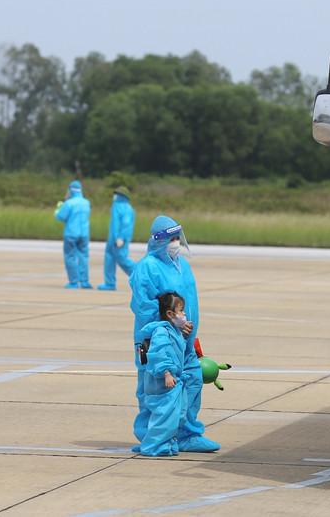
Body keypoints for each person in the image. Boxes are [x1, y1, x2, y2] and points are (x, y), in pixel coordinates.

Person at [128, 215, 219, 453]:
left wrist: (187, 331)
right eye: (172, 238)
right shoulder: (147, 267)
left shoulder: (182, 265)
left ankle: (187, 434)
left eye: (178, 238)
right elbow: (144, 308)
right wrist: (172, 326)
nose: (176, 243)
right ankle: (152, 437)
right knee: (156, 389)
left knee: (192, 381)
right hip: (159, 342)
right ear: (160, 240)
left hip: (185, 341)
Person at [136, 292, 188, 456]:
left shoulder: (173, 330)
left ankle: (167, 442)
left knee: (176, 414)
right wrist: (166, 373)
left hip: (173, 379)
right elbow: (159, 353)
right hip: (162, 381)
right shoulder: (161, 331)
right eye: (181, 311)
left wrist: (183, 334)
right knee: (165, 416)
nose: (184, 314)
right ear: (170, 314)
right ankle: (152, 446)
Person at [55, 180, 92, 289]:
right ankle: (84, 281)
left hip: (71, 233)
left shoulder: (69, 203)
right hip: (84, 233)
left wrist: (58, 209)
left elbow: (60, 217)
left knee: (70, 256)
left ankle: (74, 282)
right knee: (83, 256)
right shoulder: (86, 202)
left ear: (70, 190)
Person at [97, 186, 136, 291]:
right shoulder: (115, 206)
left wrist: (122, 238)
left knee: (123, 260)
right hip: (112, 239)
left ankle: (141, 276)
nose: (115, 196)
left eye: (117, 194)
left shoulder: (127, 208)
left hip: (119, 239)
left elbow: (126, 224)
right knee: (109, 259)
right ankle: (109, 283)